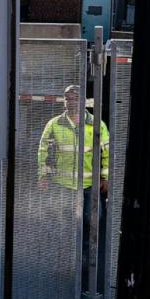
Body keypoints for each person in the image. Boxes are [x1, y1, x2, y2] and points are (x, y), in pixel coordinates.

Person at [38, 85, 110, 285]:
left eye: (74, 98)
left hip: (88, 188)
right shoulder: (54, 124)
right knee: (63, 227)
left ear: (82, 101)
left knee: (91, 226)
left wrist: (106, 177)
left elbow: (107, 151)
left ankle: (86, 269)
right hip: (63, 187)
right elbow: (42, 150)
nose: (70, 101)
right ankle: (61, 266)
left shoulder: (97, 124)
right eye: (67, 98)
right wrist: (43, 175)